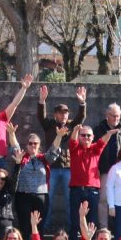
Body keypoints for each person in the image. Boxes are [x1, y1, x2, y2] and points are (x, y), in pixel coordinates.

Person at [37, 84, 86, 231]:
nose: (64, 115)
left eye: (65, 113)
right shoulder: (50, 125)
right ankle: (45, 226)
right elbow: (41, 116)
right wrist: (42, 101)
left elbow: (81, 117)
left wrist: (82, 103)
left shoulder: (72, 125)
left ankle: (72, 228)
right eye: (60, 112)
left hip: (67, 169)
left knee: (68, 200)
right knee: (48, 199)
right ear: (55, 114)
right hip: (51, 168)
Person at [63, 123, 117, 240]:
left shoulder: (95, 149)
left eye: (88, 135)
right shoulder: (75, 148)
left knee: (92, 223)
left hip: (93, 192)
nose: (86, 137)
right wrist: (75, 130)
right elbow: (72, 140)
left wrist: (108, 134)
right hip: (76, 190)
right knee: (75, 223)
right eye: (83, 135)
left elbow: (102, 142)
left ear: (92, 137)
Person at [94, 103, 121, 225]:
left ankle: (119, 225)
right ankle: (103, 226)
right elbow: (93, 149)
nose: (116, 119)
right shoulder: (98, 129)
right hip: (105, 170)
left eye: (118, 116)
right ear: (107, 115)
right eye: (113, 116)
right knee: (103, 199)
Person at [8, 125, 49, 240]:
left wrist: (60, 135)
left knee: (39, 228)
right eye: (30, 143)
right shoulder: (22, 157)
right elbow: (15, 147)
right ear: (26, 145)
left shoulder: (44, 158)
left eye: (35, 143)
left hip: (41, 196)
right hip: (23, 196)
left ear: (39, 145)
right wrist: (11, 133)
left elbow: (54, 150)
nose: (33, 145)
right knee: (24, 227)